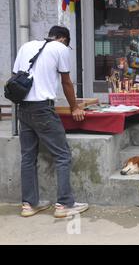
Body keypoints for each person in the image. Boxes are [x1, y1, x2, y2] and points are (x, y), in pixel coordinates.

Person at [13, 25, 89, 218]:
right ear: (63, 39)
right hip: (43, 110)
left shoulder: (26, 46)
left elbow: (16, 76)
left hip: (23, 108)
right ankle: (64, 204)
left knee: (28, 157)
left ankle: (28, 205)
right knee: (62, 155)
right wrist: (75, 107)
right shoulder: (60, 48)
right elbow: (66, 82)